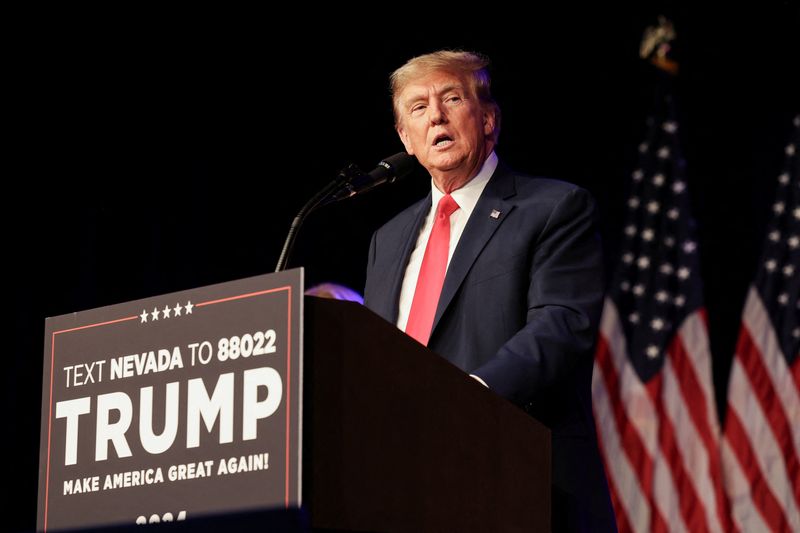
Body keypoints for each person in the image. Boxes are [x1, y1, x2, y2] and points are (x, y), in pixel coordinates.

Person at [363, 50, 617, 532]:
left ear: (488, 119)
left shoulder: (553, 207)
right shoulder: (387, 239)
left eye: (452, 98)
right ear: (405, 140)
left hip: (521, 478)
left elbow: (562, 322)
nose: (435, 114)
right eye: (418, 108)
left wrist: (469, 397)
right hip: (405, 488)